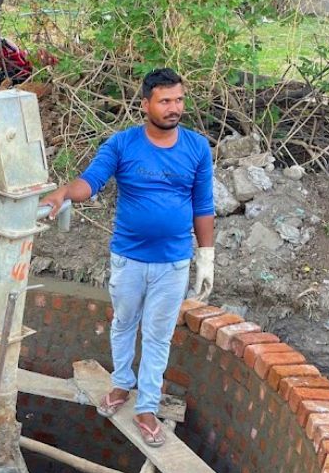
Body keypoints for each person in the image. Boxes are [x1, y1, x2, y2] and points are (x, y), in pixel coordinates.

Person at [40, 67, 215, 446]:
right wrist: (64, 192)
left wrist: (207, 258)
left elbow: (203, 206)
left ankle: (147, 406)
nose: (174, 108)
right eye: (165, 100)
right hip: (129, 259)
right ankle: (121, 384)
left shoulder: (197, 148)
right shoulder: (122, 145)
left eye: (179, 99)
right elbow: (92, 181)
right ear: (145, 104)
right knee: (123, 324)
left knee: (157, 335)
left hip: (172, 263)